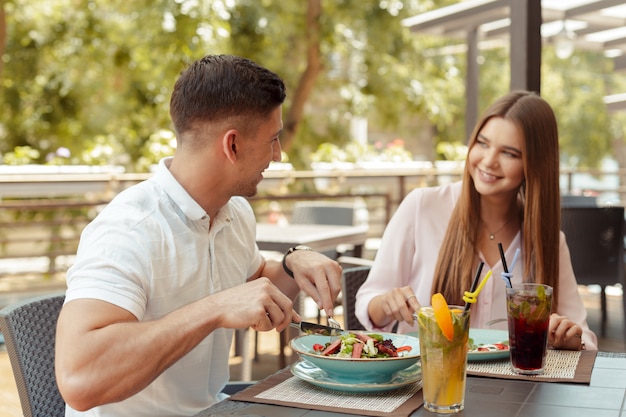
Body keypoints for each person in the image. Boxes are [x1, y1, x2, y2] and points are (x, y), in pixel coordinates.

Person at [55, 54, 342, 417]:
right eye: (272, 139)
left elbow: (252, 284)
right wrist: (214, 309)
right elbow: (80, 381)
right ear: (232, 145)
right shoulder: (128, 230)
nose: (278, 154)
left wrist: (292, 263)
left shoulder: (234, 212)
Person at [355, 90, 597, 351]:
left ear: (534, 165)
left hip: (514, 387)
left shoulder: (548, 240)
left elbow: (583, 335)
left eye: (509, 153)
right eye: (482, 143)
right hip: (427, 379)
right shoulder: (422, 206)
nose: (488, 161)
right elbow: (368, 302)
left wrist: (570, 336)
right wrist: (386, 304)